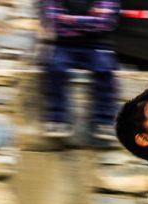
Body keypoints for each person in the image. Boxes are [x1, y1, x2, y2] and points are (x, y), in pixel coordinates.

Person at [40, 0, 120, 141]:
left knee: (105, 69)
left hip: (97, 45)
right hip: (63, 45)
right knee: (55, 68)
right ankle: (57, 119)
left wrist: (70, 19)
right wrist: (91, 19)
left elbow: (105, 23)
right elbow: (56, 24)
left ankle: (104, 122)